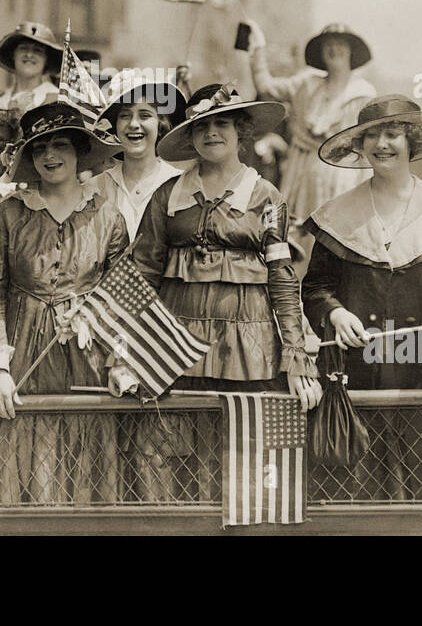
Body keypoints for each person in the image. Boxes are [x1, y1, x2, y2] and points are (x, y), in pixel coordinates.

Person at [128, 83, 322, 501]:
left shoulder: (266, 196)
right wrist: (128, 352)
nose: (211, 133)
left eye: (221, 124)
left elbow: (282, 279)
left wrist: (297, 357)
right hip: (175, 346)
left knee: (240, 458)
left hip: (247, 348)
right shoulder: (167, 195)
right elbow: (141, 272)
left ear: (241, 132)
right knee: (160, 452)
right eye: (201, 126)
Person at [301, 94, 422, 500]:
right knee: (357, 482)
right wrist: (335, 313)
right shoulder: (337, 215)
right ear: (360, 146)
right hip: (357, 365)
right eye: (372, 136)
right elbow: (314, 287)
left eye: (392, 134)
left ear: (411, 142)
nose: (382, 144)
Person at [0, 102, 128, 503]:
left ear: (79, 152)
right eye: (38, 148)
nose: (49, 156)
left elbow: (121, 297)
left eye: (59, 145)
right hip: (22, 347)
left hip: (87, 352)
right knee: (20, 451)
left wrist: (120, 360)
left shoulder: (107, 216)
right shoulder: (9, 214)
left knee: (86, 450)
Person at [245, 21, 376, 255]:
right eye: (328, 45)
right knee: (298, 239)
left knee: (337, 242)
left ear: (351, 52)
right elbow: (266, 87)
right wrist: (258, 49)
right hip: (302, 173)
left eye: (340, 45)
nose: (334, 50)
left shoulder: (363, 94)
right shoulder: (305, 83)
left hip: (343, 177)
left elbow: (367, 146)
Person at [88, 68, 187, 241]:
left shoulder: (181, 184)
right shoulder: (94, 188)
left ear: (160, 125)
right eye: (125, 116)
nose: (134, 124)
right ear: (115, 127)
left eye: (144, 115)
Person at [0, 21, 62, 115]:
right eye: (23, 48)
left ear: (46, 60)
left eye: (38, 51)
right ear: (13, 54)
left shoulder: (57, 101)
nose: (29, 55)